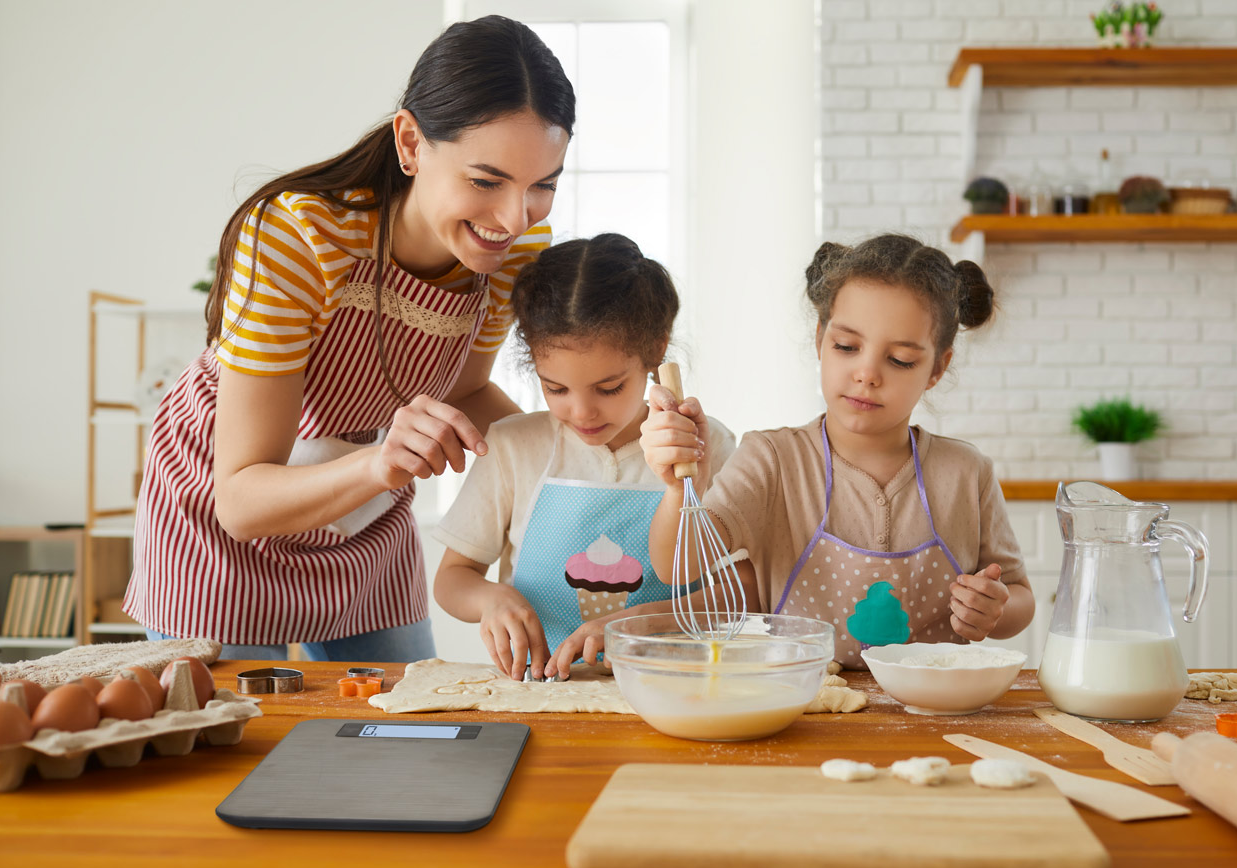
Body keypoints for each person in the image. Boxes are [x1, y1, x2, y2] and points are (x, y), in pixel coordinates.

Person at [124, 17, 574, 661]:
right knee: (237, 741)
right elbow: (242, 500)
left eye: (543, 185)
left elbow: (468, 389)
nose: (513, 218)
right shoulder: (298, 237)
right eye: (485, 180)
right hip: (223, 514)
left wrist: (579, 453)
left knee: (398, 729)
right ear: (412, 142)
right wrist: (380, 465)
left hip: (363, 509)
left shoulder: (516, 245)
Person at [641, 234, 1035, 669]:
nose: (866, 373)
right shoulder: (772, 460)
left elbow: (1019, 596)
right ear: (820, 340)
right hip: (804, 708)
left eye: (900, 359)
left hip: (935, 714)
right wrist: (682, 491)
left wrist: (994, 609)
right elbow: (677, 567)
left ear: (936, 368)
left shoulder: (965, 472)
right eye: (847, 347)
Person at [431, 234, 739, 681]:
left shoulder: (708, 449)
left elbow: (738, 594)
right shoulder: (514, 446)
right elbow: (452, 579)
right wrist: (490, 599)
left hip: (677, 689)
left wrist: (639, 624)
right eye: (555, 388)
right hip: (541, 691)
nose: (581, 412)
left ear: (656, 349)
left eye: (608, 387)